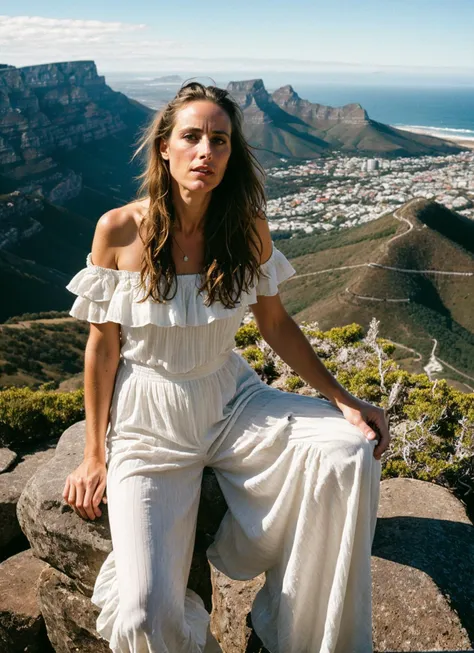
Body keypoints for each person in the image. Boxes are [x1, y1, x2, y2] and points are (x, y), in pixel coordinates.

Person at [62, 81, 390, 653]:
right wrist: (94, 454)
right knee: (140, 612)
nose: (205, 151)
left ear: (231, 153)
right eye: (191, 137)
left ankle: (298, 635)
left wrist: (344, 399)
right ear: (165, 146)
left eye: (220, 140)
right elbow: (102, 346)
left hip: (232, 400)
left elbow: (276, 325)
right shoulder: (118, 230)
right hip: (148, 421)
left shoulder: (246, 228)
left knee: (346, 452)